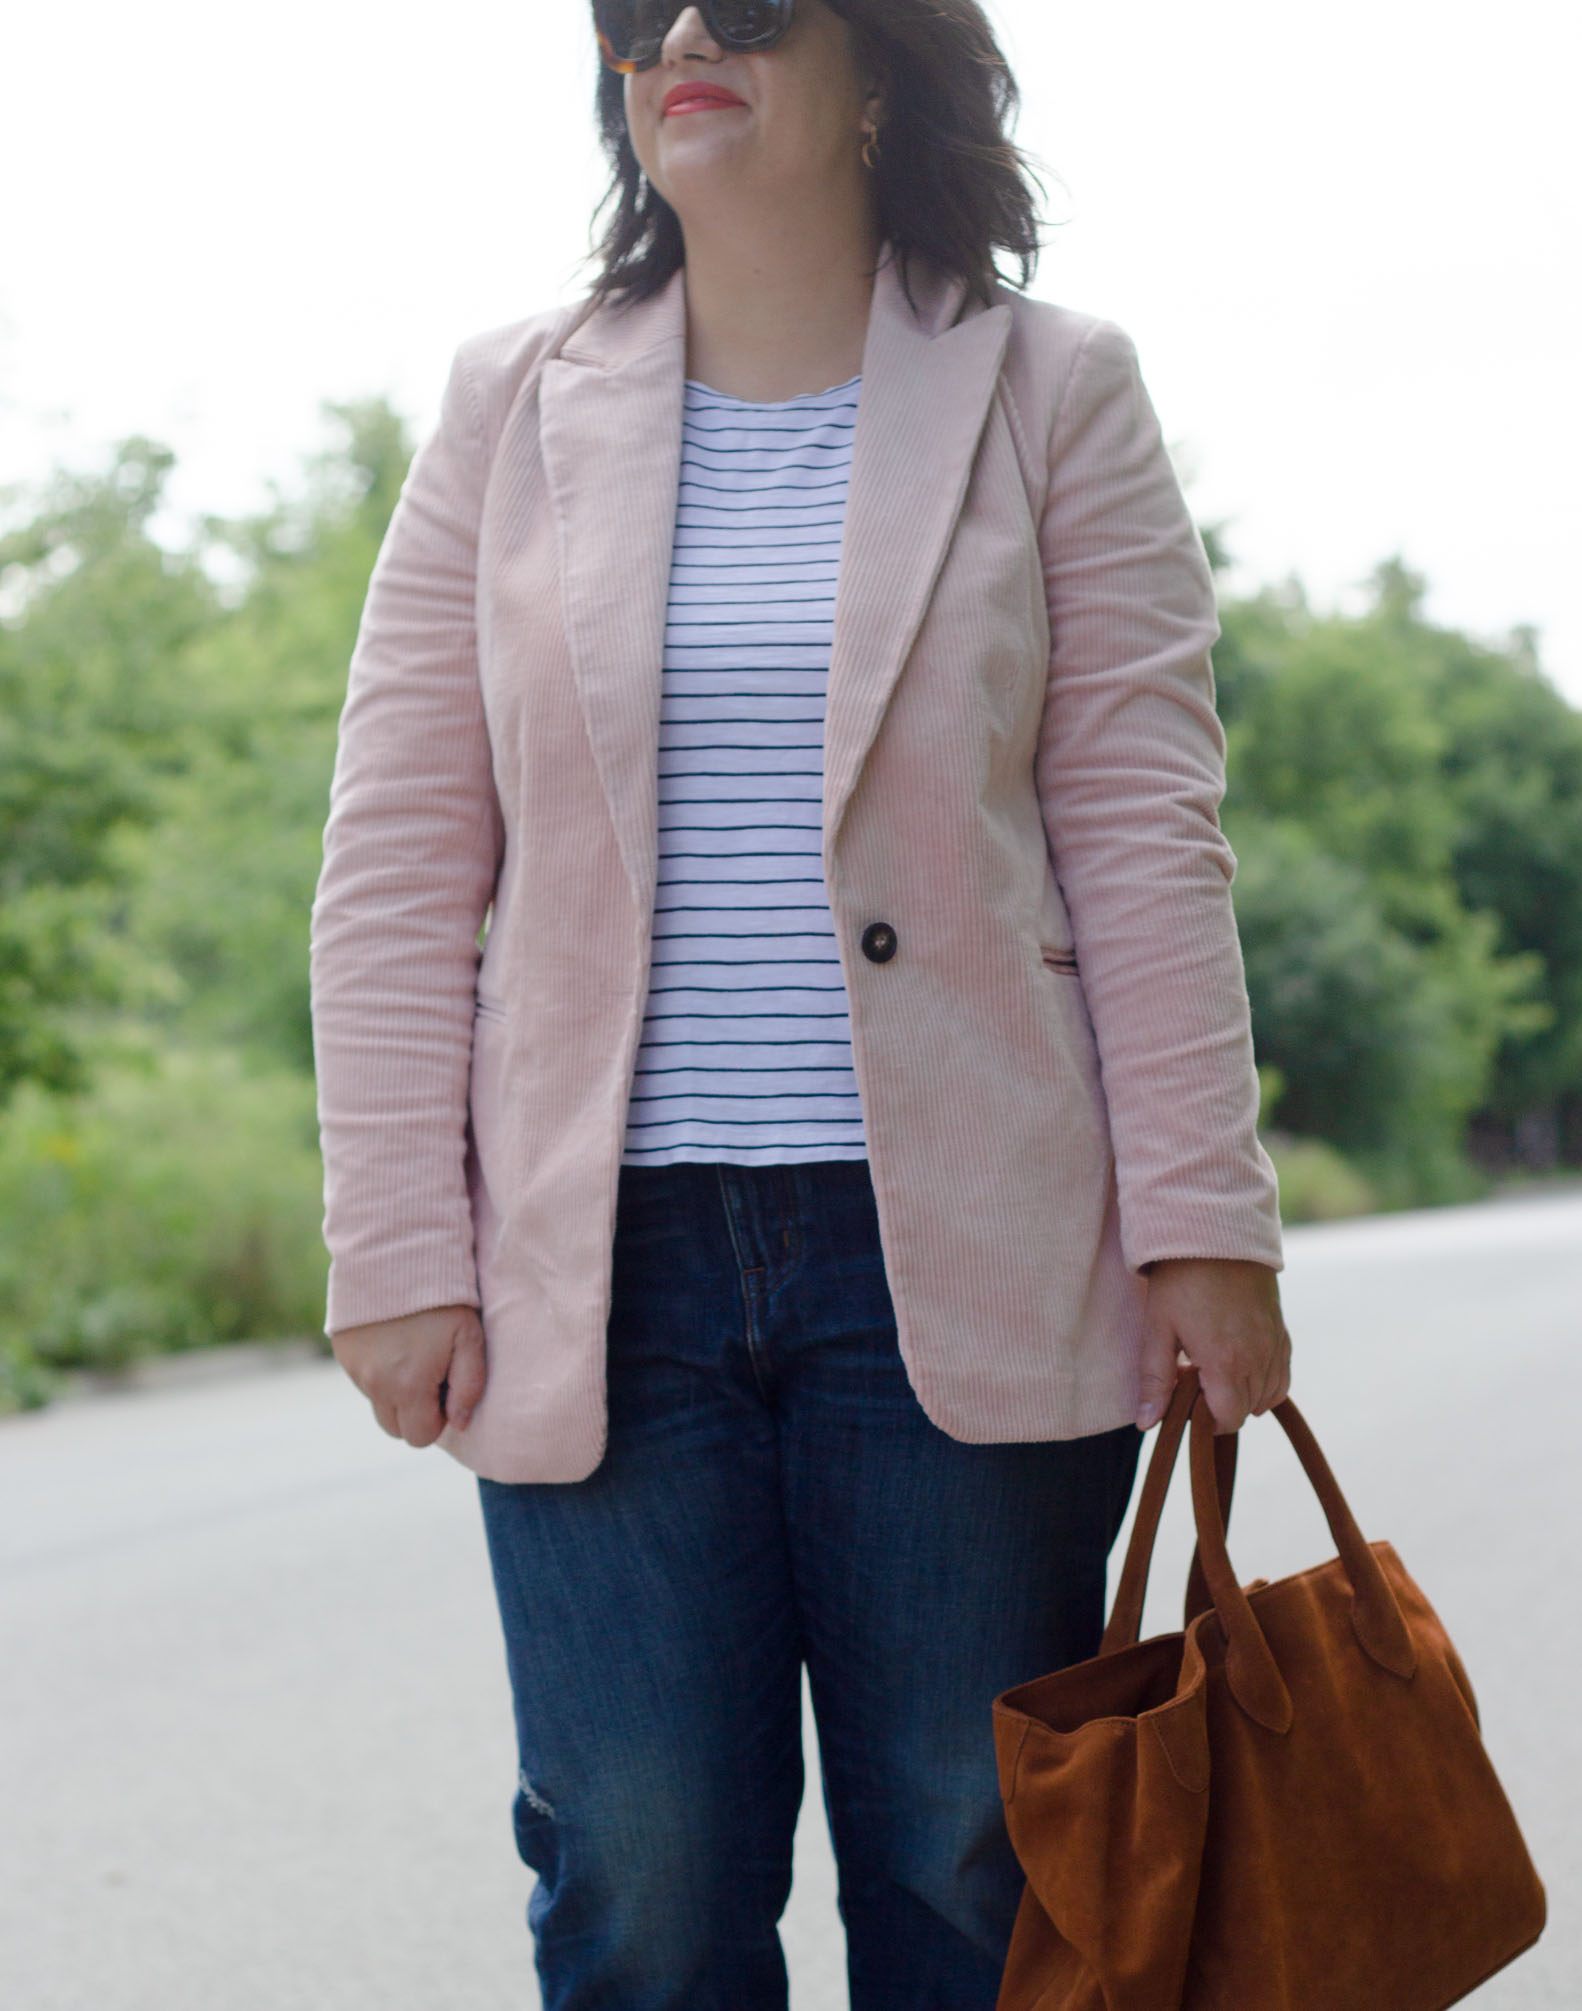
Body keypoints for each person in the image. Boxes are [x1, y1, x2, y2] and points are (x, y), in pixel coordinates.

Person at [309, 1, 1292, 2003]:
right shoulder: (507, 404)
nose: (681, 35)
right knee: (639, 1871)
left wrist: (1200, 1221)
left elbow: (1135, 828)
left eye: (747, 4)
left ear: (879, 66)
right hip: (605, 1260)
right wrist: (397, 1237)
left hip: (963, 1243)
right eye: (636, 10)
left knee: (968, 1855)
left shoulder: (1048, 386)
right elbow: (402, 854)